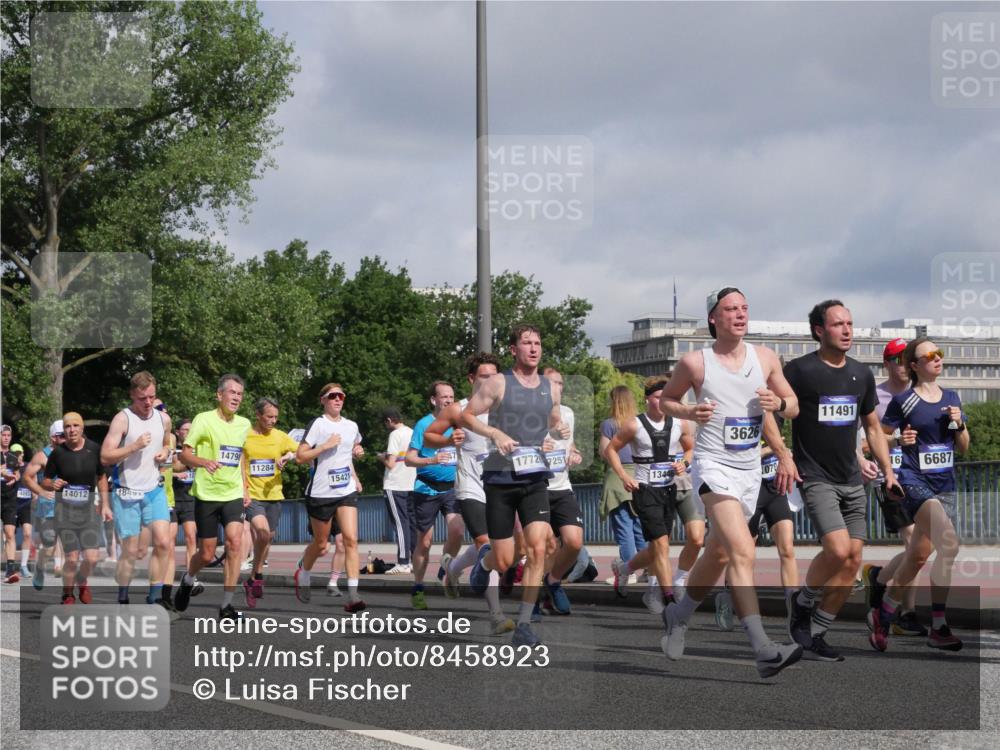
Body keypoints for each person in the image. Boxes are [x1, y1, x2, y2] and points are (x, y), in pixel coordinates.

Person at [659, 287, 802, 679]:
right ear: (713, 318)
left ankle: (679, 614)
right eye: (729, 309)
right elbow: (667, 400)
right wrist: (690, 409)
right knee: (742, 550)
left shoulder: (766, 358)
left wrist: (780, 405)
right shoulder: (695, 363)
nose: (739, 315)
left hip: (749, 470)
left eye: (743, 308)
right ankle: (762, 648)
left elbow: (793, 403)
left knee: (720, 554)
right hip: (712, 465)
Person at [781, 301, 902, 662]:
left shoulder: (861, 374)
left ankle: (816, 634)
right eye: (838, 324)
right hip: (816, 476)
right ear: (820, 330)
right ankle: (801, 602)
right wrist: (783, 453)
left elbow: (872, 428)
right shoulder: (800, 371)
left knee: (852, 562)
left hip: (852, 479)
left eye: (850, 323)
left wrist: (888, 470)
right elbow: (772, 413)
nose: (847, 330)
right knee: (836, 550)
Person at [462, 324, 571, 647]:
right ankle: (483, 564)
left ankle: (524, 623)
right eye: (526, 343)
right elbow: (467, 415)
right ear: (513, 350)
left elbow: (551, 420)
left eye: (537, 342)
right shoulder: (498, 383)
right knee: (505, 558)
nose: (534, 348)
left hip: (535, 476)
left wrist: (556, 435)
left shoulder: (550, 387)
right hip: (500, 477)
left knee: (539, 546)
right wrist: (495, 434)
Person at [869, 337, 968, 652]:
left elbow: (963, 447)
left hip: (945, 484)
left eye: (940, 354)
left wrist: (959, 424)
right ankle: (938, 625)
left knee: (919, 555)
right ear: (914, 365)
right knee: (949, 544)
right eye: (930, 356)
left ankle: (883, 613)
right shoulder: (905, 401)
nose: (938, 359)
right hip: (913, 481)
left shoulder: (952, 397)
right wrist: (899, 438)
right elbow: (876, 439)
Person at [606, 376, 690, 615]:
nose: (663, 402)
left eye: (667, 398)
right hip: (644, 490)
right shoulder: (634, 425)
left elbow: (690, 448)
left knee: (657, 548)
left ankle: (625, 568)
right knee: (662, 545)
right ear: (647, 399)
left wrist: (683, 462)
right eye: (657, 397)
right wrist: (624, 476)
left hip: (668, 489)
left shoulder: (678, 424)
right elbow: (611, 449)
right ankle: (669, 598)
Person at [174, 374, 252, 621]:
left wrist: (246, 487)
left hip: (233, 493)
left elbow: (240, 456)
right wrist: (203, 461)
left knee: (234, 543)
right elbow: (185, 456)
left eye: (240, 394)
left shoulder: (244, 424)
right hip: (207, 494)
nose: (236, 398)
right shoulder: (203, 420)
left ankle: (226, 606)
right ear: (220, 395)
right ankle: (187, 580)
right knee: (206, 554)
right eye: (232, 393)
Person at [862, 337, 926, 637]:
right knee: (914, 543)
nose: (904, 365)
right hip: (891, 479)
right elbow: (862, 442)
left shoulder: (921, 395)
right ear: (887, 363)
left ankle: (879, 576)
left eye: (909, 359)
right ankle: (907, 612)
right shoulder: (874, 397)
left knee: (921, 547)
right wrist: (895, 441)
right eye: (898, 359)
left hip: (922, 480)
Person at [100, 371, 174, 606]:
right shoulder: (122, 419)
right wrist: (133, 447)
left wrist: (166, 452)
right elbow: (105, 457)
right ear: (132, 395)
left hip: (154, 490)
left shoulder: (163, 419)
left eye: (152, 397)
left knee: (163, 542)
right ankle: (123, 593)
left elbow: (166, 442)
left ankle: (154, 596)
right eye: (143, 398)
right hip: (127, 492)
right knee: (130, 552)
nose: (148, 403)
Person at [294, 382, 366, 613]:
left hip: (345, 490)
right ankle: (303, 572)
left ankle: (353, 594)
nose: (337, 399)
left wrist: (357, 452)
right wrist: (324, 446)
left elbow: (351, 450)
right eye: (332, 396)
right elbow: (300, 457)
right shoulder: (318, 424)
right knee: (321, 543)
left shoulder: (351, 426)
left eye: (341, 396)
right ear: (323, 400)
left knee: (350, 539)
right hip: (321, 492)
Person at [404, 381, 466, 610]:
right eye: (444, 397)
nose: (449, 401)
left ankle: (446, 569)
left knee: (458, 530)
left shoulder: (460, 423)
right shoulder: (424, 425)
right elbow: (409, 459)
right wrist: (431, 460)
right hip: (426, 489)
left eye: (452, 397)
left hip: (452, 487)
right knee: (425, 541)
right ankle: (418, 588)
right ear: (434, 400)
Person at [40, 412, 112, 604]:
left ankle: (82, 579)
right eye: (67, 427)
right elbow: (45, 481)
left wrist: (105, 504)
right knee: (71, 559)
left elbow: (101, 477)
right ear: (64, 430)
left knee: (92, 558)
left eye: (75, 426)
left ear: (82, 428)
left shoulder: (94, 449)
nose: (71, 430)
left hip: (88, 512)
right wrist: (52, 484)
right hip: (65, 513)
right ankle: (68, 593)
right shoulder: (58, 453)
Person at [242, 397, 298, 608]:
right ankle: (257, 575)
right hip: (252, 495)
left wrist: (288, 457)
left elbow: (300, 450)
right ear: (258, 415)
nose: (273, 420)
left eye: (276, 417)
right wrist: (243, 489)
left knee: (268, 538)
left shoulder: (280, 436)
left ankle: (254, 576)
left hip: (274, 495)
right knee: (262, 532)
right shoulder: (245, 435)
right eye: (269, 417)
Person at [599, 387, 645, 581]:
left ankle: (629, 571)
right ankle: (651, 571)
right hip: (641, 475)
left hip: (618, 478)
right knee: (640, 527)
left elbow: (604, 452)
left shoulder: (609, 425)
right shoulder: (640, 423)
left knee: (623, 526)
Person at [20, 421, 65, 589]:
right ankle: (39, 568)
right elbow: (26, 477)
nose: (67, 437)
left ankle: (69, 590)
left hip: (69, 506)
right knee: (49, 547)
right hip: (49, 506)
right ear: (53, 438)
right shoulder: (42, 456)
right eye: (62, 435)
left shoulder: (73, 453)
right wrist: (40, 491)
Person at [376, 408, 415, 575]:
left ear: (389, 421)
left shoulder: (395, 435)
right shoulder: (412, 432)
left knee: (400, 524)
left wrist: (380, 457)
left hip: (395, 484)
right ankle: (412, 560)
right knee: (412, 524)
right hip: (412, 483)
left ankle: (403, 562)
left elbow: (391, 463)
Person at [1, 425, 22, 583]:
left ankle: (10, 570)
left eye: (8, 435)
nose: (6, 437)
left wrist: (15, 477)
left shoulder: (14, 457)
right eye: (3, 435)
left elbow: (18, 473)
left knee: (10, 533)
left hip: (9, 498)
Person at [11, 443, 34, 578]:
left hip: (25, 504)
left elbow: (33, 479)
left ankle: (24, 566)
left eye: (20, 453)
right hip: (12, 504)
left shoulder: (28, 466)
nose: (19, 456)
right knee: (10, 536)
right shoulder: (7, 468)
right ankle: (11, 564)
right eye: (16, 453)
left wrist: (35, 492)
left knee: (27, 533)